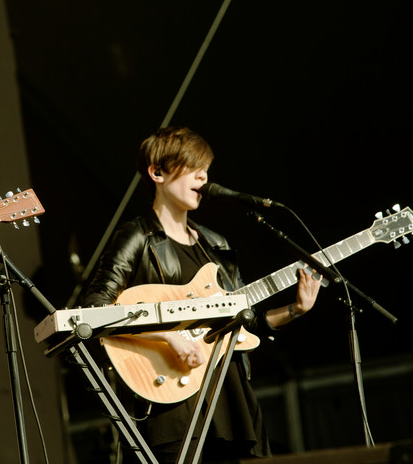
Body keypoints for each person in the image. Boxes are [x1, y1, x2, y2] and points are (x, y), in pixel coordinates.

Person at [81, 126, 321, 463]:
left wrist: (294, 310)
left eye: (206, 168)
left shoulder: (216, 246)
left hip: (230, 397)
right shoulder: (137, 235)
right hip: (173, 403)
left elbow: (240, 327)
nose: (204, 176)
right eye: (193, 167)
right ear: (157, 172)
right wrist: (168, 337)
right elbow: (94, 308)